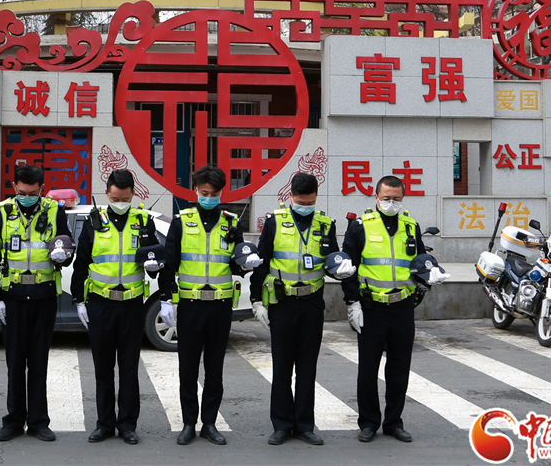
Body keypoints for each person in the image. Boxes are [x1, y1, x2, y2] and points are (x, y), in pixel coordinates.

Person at [340, 175, 449, 444]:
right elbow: (348, 269)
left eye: (396, 199)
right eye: (386, 198)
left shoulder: (411, 227)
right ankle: (368, 423)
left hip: (402, 307)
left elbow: (420, 262)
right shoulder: (360, 226)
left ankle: (393, 422)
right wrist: (352, 303)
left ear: (403, 198)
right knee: (368, 370)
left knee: (399, 369)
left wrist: (430, 274)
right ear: (376, 197)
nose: (391, 203)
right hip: (371, 308)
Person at [249, 172, 350, 446]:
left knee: (307, 367)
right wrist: (256, 300)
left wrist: (341, 270)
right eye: (301, 202)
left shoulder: (326, 224)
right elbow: (261, 262)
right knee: (282, 367)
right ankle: (282, 425)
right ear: (291, 196)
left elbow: (333, 261)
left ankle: (305, 425)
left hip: (312, 303)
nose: (306, 206)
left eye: (310, 202)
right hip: (282, 303)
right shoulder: (275, 222)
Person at [158, 165, 254, 446]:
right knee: (188, 368)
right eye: (204, 193)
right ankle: (189, 423)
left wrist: (246, 264)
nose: (208, 197)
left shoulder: (231, 223)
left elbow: (237, 263)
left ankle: (209, 423)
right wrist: (165, 298)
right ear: (196, 191)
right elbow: (169, 263)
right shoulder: (181, 221)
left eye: (213, 193)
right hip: (191, 305)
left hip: (220, 307)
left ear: (221, 193)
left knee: (215, 369)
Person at [0, 164, 73, 443]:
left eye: (32, 193)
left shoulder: (55, 211)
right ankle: (13, 421)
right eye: (22, 192)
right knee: (15, 362)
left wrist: (64, 256)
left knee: (39, 361)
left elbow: (66, 246)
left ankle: (38, 422)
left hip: (44, 296)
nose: (27, 197)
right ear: (14, 187)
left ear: (41, 189)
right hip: (13, 298)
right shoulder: (1, 214)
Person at [70, 169, 161, 445]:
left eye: (124, 198)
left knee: (129, 369)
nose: (119, 203)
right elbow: (81, 262)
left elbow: (155, 258)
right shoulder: (94, 221)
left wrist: (154, 266)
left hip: (132, 306)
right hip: (100, 305)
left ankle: (128, 425)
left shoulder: (143, 221)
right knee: (103, 369)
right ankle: (105, 424)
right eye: (114, 198)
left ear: (133, 195)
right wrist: (78, 300)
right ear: (107, 193)